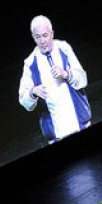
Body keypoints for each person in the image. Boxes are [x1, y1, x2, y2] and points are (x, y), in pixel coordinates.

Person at [18, 15, 90, 143]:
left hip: (80, 125)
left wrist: (66, 74)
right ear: (33, 37)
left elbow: (83, 79)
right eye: (38, 37)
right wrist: (33, 92)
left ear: (52, 34)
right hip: (56, 135)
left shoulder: (64, 48)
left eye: (45, 35)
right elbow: (24, 101)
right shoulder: (30, 63)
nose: (42, 41)